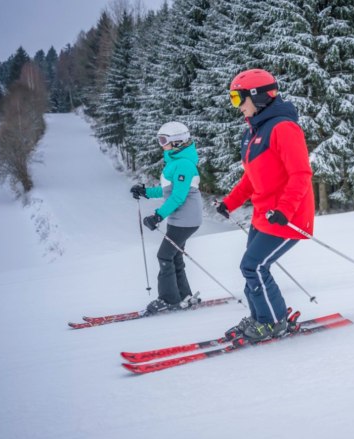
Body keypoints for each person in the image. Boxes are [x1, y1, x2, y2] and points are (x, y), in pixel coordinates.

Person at [216, 68, 315, 343]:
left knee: (253, 266)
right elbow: (252, 177)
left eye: (238, 98)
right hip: (264, 215)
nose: (237, 106)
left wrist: (284, 210)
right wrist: (230, 203)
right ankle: (262, 317)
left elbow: (301, 175)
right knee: (251, 267)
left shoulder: (284, 128)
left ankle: (273, 321)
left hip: (288, 217)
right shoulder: (255, 131)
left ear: (258, 97)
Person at [130, 121, 204, 315]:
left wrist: (158, 216)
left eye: (163, 140)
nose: (161, 144)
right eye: (159, 139)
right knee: (174, 255)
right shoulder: (175, 161)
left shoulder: (184, 164)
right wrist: (145, 191)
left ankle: (168, 299)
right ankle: (183, 295)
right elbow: (167, 191)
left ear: (177, 142)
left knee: (164, 255)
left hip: (186, 218)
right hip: (180, 218)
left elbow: (178, 196)